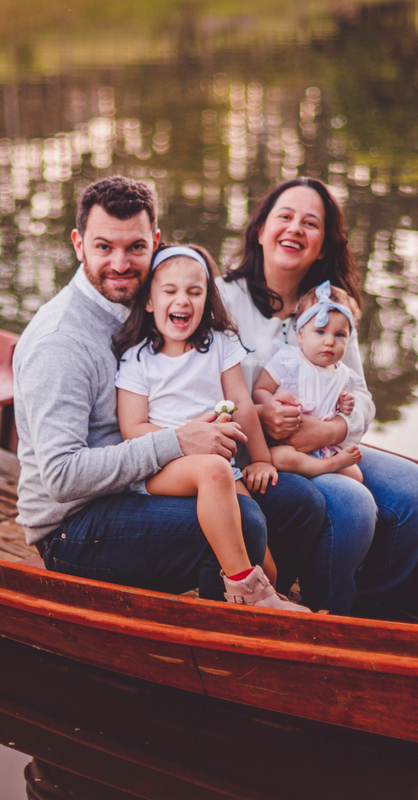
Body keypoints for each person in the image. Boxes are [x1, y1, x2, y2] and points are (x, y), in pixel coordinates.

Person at [12, 176, 324, 604]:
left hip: (141, 480)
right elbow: (62, 478)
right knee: (246, 521)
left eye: (136, 248)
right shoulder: (61, 341)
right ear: (78, 244)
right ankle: (224, 648)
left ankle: (268, 612)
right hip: (75, 525)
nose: (121, 263)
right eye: (104, 247)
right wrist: (176, 441)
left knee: (299, 504)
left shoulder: (145, 304)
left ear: (155, 242)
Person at [219, 176, 418, 617]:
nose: (295, 228)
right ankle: (325, 616)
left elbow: (361, 395)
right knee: (354, 503)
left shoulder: (329, 308)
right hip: (255, 456)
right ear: (260, 230)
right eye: (284, 217)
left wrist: (332, 426)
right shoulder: (221, 300)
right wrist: (261, 413)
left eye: (310, 223)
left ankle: (367, 611)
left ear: (323, 246)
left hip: (324, 442)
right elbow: (198, 387)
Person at [112, 245, 307, 611]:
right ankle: (244, 592)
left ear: (207, 299)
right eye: (169, 291)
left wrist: (262, 459)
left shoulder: (219, 344)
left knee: (265, 560)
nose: (182, 300)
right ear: (150, 301)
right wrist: (182, 439)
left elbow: (243, 403)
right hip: (160, 467)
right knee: (214, 471)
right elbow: (132, 429)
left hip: (220, 466)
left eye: (194, 291)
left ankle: (266, 604)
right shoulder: (137, 360)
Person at [253, 280, 365, 482]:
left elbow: (342, 410)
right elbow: (260, 389)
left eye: (340, 335)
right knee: (279, 457)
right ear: (301, 335)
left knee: (356, 476)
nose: (329, 341)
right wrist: (270, 405)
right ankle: (326, 467)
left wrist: (345, 405)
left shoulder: (344, 374)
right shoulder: (289, 360)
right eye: (320, 332)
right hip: (287, 443)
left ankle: (325, 464)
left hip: (324, 446)